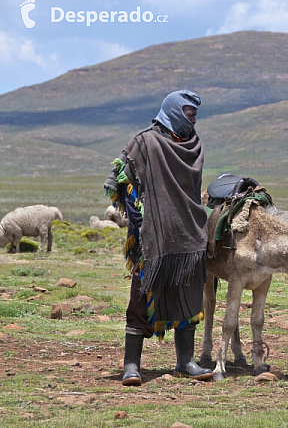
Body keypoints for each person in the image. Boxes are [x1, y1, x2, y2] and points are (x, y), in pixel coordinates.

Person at [104, 90, 213, 386]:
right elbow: (120, 177)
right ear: (174, 112)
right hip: (152, 236)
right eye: (189, 114)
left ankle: (185, 361)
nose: (193, 119)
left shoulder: (194, 145)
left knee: (189, 296)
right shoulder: (145, 142)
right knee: (141, 296)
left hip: (188, 235)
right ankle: (131, 365)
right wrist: (137, 213)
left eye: (195, 115)